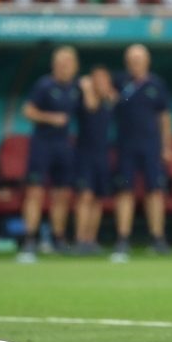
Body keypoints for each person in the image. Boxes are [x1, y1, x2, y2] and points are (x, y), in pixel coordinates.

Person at [17, 46, 82, 263]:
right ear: (54, 65)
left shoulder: (75, 88)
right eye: (61, 63)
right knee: (35, 193)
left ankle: (58, 239)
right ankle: (29, 240)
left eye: (69, 63)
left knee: (62, 194)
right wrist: (50, 118)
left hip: (64, 146)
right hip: (42, 145)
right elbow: (27, 111)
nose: (65, 67)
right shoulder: (44, 85)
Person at [112, 44, 172, 261]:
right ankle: (122, 240)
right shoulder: (119, 82)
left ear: (146, 61)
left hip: (151, 145)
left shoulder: (156, 84)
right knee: (124, 191)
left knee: (155, 191)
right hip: (125, 145)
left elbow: (164, 117)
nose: (135, 63)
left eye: (139, 59)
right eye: (132, 59)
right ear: (127, 62)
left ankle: (157, 238)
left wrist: (166, 146)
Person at [73, 66, 116, 255]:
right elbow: (90, 106)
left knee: (98, 198)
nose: (101, 83)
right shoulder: (85, 98)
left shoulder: (109, 101)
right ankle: (80, 239)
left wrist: (106, 90)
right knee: (85, 196)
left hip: (102, 155)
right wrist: (88, 87)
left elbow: (115, 98)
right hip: (84, 154)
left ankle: (91, 240)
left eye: (104, 79)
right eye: (97, 79)